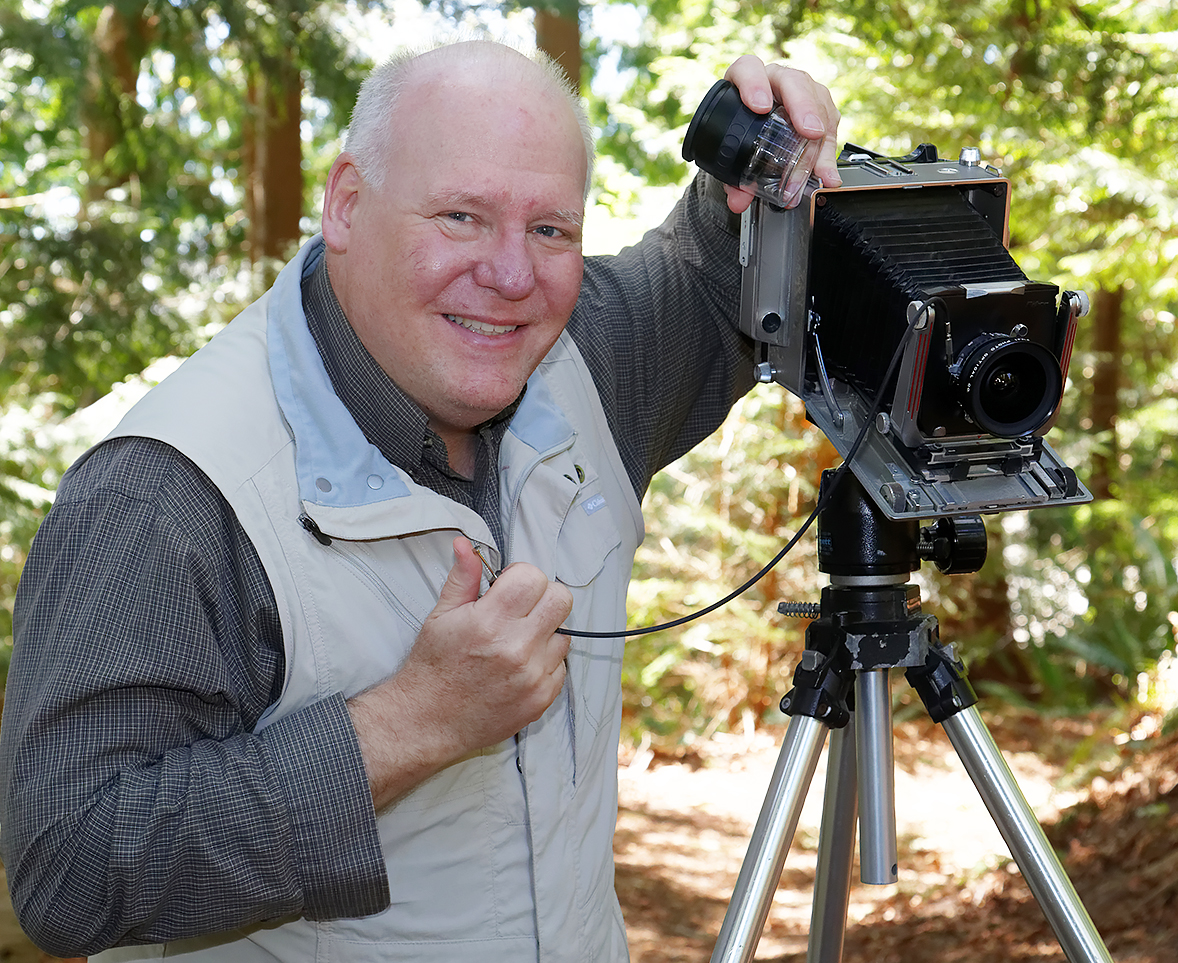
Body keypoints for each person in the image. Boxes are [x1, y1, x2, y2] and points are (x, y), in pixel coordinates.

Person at [0, 39, 840, 962]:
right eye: (461, 216)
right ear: (347, 204)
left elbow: (698, 276)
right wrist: (409, 723)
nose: (512, 275)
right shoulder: (164, 495)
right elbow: (69, 868)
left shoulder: (584, 358)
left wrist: (756, 176)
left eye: (551, 229)